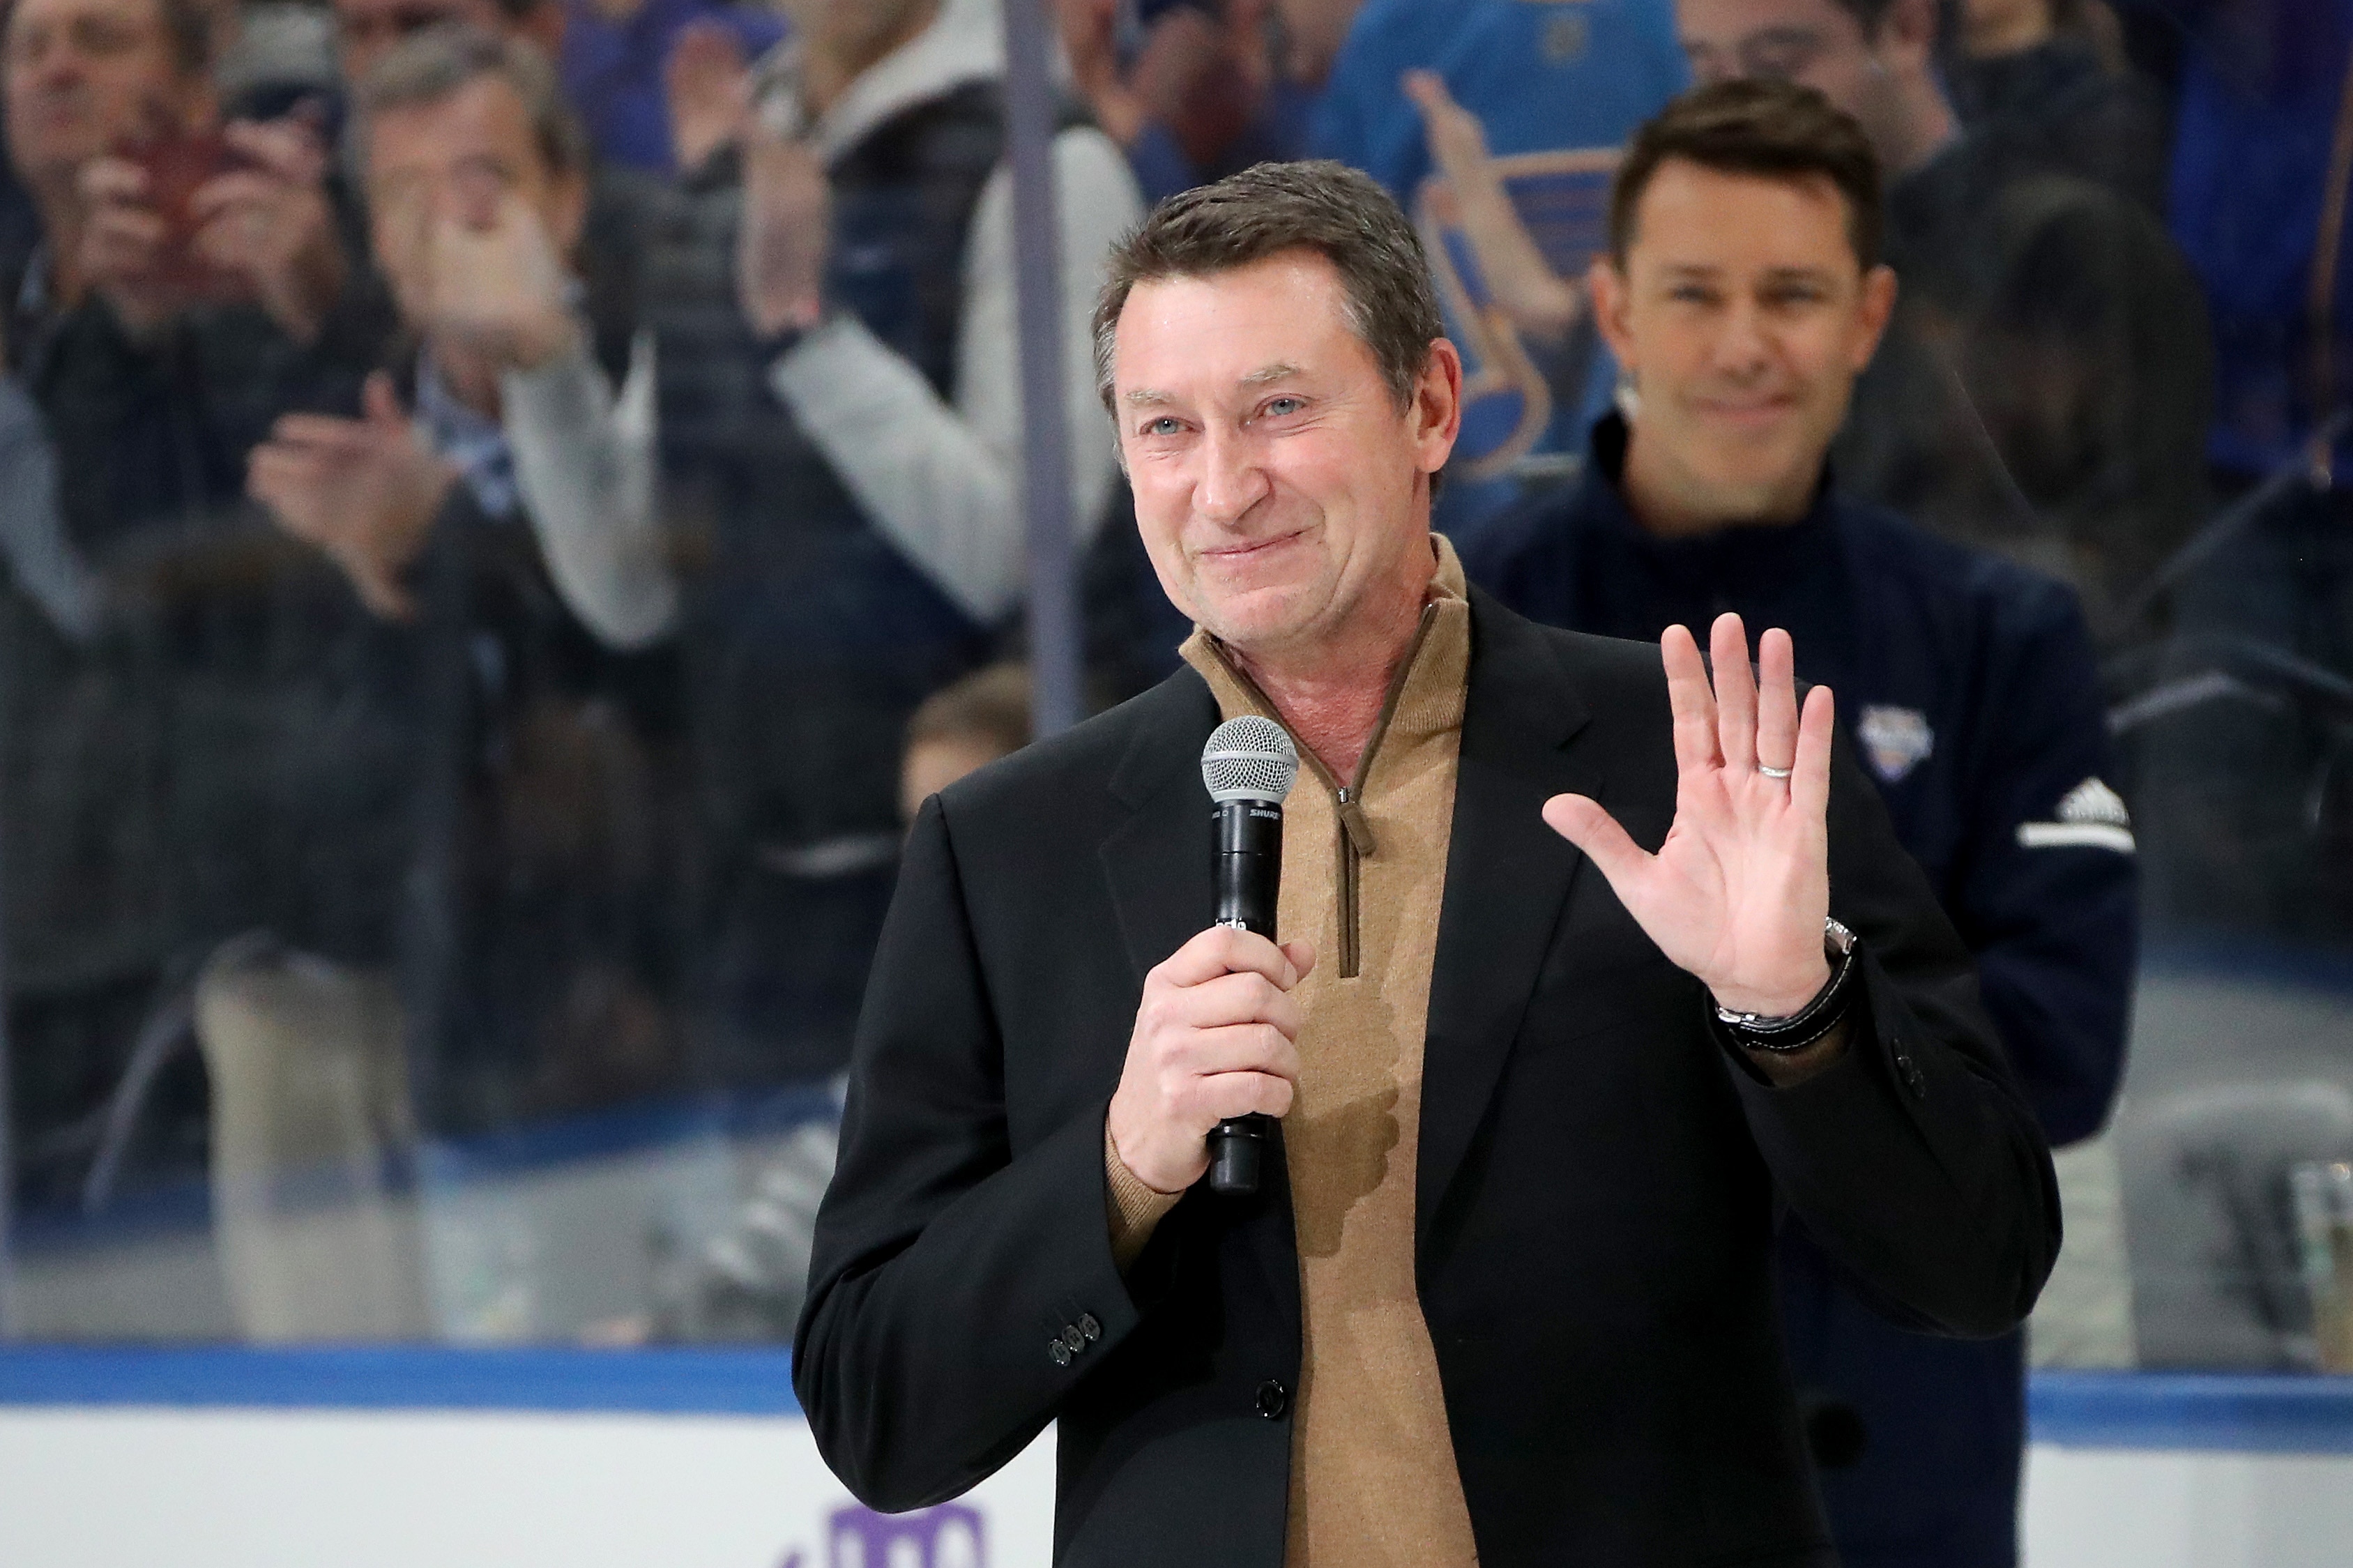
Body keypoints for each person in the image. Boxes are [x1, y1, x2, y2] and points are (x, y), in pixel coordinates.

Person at [793, 158, 2058, 1566]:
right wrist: (1117, 1166)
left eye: (1279, 408)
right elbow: (874, 1405)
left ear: (1430, 405)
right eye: (1166, 427)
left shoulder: (1684, 757)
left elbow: (1976, 1260)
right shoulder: (999, 846)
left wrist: (1793, 1011)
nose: (1225, 485)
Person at [1461, 79, 2135, 1568]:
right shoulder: (1469, 624)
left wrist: (1768, 1003)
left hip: (1891, 1433)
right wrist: (1823, 1056)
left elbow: (2061, 1050)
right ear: (1614, 311)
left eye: (1792, 292)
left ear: (1868, 314)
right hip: (1547, 1434)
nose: (1745, 342)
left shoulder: (1997, 634)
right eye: (1694, 292)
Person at [215, 24, 681, 1337]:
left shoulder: (659, 358)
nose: (450, 225)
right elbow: (292, 774)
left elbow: (663, 658)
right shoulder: (334, 425)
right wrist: (392, 584)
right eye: (412, 195)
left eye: (483, 182)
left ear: (567, 196)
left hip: (667, 1033)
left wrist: (452, 549)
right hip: (455, 1038)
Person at [641, 0, 1141, 1089]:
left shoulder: (1043, 157)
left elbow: (1019, 551)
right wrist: (535, 380)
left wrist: (805, 336)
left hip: (972, 889)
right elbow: (635, 583)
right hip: (753, 880)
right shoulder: (735, 150)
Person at [1677, 0, 2212, 648]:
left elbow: (2129, 572)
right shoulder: (1726, 272)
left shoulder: (2063, 249)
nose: (1738, 114)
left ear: (1906, 30)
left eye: (1781, 63)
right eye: (1707, 71)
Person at [1309, 0, 1688, 534]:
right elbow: (1339, 270)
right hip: (1466, 519)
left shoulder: (1685, 24)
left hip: (1662, 513)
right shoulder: (1399, 33)